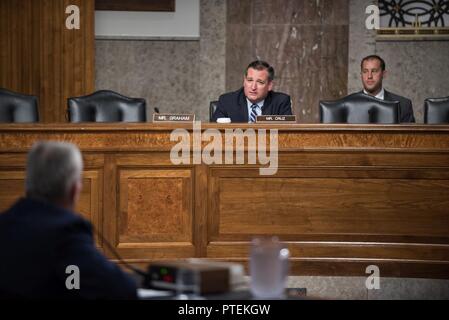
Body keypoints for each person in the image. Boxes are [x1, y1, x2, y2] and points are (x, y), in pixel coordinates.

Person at [0, 141, 137, 299]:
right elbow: (121, 289)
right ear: (73, 190)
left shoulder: (4, 223)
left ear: (28, 184)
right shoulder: (65, 233)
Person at [212, 60, 293, 123]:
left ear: (269, 85)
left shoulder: (281, 102)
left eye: (260, 82)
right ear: (244, 81)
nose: (253, 87)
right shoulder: (227, 101)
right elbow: (214, 134)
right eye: (250, 80)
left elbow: (287, 135)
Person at [359, 55, 415, 123]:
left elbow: (410, 134)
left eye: (374, 71)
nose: (369, 76)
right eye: (365, 71)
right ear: (361, 74)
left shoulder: (403, 105)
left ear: (383, 74)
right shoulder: (347, 104)